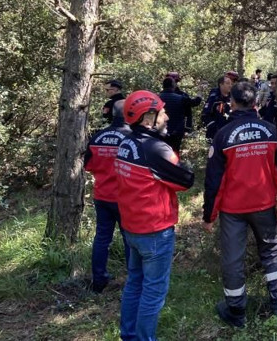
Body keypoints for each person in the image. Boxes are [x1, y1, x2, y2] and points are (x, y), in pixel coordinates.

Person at [203, 81, 277, 327]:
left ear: (231, 103)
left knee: (233, 259)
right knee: (271, 252)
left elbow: (214, 182)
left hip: (233, 210)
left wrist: (209, 216)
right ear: (256, 103)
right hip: (264, 205)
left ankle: (236, 312)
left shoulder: (222, 135)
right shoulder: (269, 130)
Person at [115, 90, 195, 341]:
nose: (167, 116)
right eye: (162, 112)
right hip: (155, 230)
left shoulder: (125, 143)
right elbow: (185, 181)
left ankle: (129, 335)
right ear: (148, 118)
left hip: (133, 228)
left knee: (134, 284)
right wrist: (185, 166)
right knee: (153, 292)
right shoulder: (156, 149)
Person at [84, 99, 131, 293]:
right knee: (130, 239)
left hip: (102, 195)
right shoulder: (131, 138)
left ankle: (98, 280)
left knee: (102, 238)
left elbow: (88, 165)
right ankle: (133, 280)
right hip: (125, 198)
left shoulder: (98, 136)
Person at [159, 77, 188, 152]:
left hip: (160, 131)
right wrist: (200, 94)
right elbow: (195, 102)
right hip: (177, 132)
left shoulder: (157, 98)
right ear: (173, 86)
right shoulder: (181, 98)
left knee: (161, 151)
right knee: (175, 152)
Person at [202, 74, 234, 142]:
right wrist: (213, 126)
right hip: (214, 134)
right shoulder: (214, 98)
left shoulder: (233, 98)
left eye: (231, 83)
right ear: (221, 84)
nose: (230, 85)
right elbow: (205, 115)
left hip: (229, 134)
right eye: (227, 83)